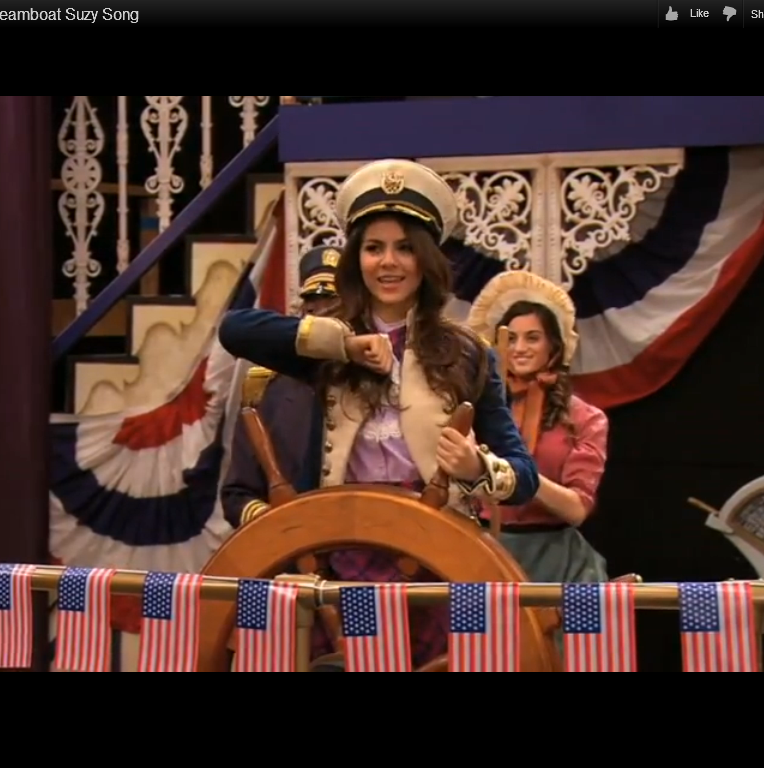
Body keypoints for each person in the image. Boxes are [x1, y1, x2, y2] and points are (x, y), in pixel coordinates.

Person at [218, 159, 540, 671]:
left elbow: (524, 478)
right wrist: (342, 345)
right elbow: (234, 329)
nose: (389, 262)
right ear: (356, 259)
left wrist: (476, 467)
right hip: (341, 560)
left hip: (436, 564)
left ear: (426, 259)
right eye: (373, 248)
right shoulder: (327, 347)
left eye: (405, 247)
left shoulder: (469, 353)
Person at [466, 270, 610, 596]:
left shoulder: (586, 418)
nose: (519, 348)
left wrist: (518, 475)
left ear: (554, 347)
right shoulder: (477, 409)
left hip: (557, 562)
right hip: (483, 551)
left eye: (532, 338)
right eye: (511, 338)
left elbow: (576, 509)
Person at [220, 246, 342, 528]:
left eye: (334, 305)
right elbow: (237, 494)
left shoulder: (377, 380)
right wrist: (278, 522)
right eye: (312, 304)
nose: (321, 313)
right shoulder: (266, 388)